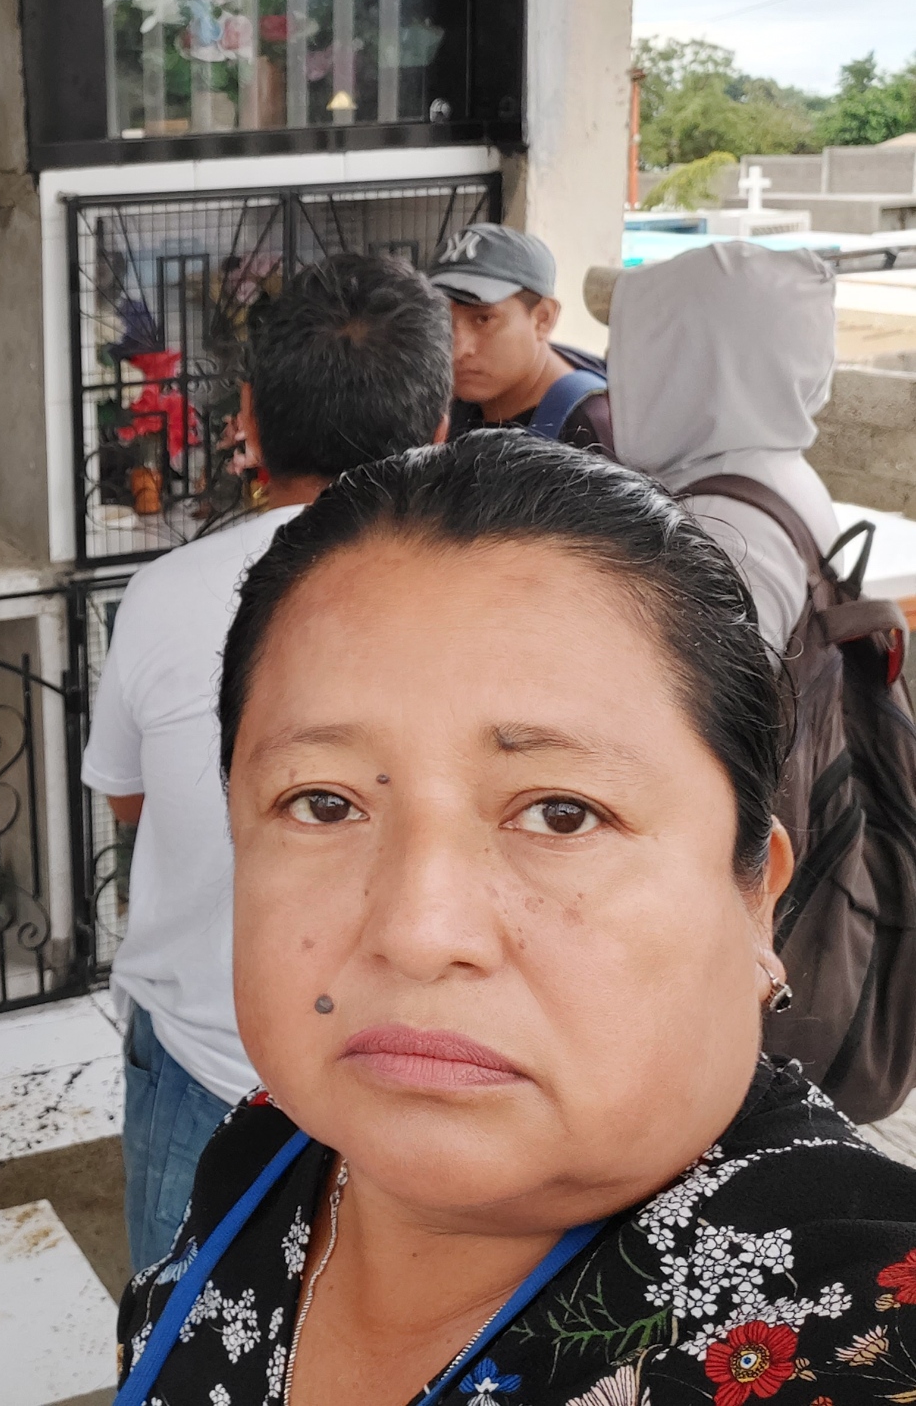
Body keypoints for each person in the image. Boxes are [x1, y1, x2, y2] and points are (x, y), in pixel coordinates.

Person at [114, 428, 916, 1406]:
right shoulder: (269, 1142)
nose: (418, 931)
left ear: (755, 898)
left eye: (561, 813)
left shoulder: (858, 1327)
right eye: (322, 802)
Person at [82, 253, 453, 1273]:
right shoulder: (508, 611)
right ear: (438, 425)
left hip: (207, 1059)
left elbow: (128, 801)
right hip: (423, 1064)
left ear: (246, 415)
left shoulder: (168, 594)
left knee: (177, 1320)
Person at [608, 238, 839, 654]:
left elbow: (703, 693)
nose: (611, 360)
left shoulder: (723, 526)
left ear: (692, 359)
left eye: (639, 345)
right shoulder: (772, 471)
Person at [430, 222, 612, 450]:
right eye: (443, 320)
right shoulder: (457, 400)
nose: (457, 350)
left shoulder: (586, 431)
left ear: (543, 319)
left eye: (483, 319)